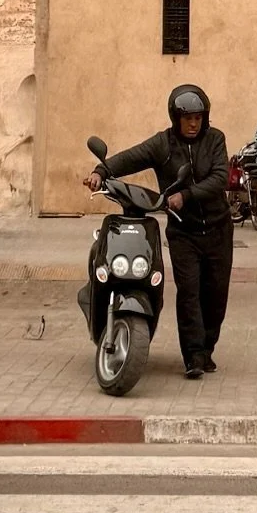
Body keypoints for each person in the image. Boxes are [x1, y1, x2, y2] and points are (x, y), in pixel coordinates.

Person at [87, 84, 232, 379]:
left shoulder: (216, 140)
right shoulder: (163, 144)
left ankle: (207, 349)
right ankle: (193, 356)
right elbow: (131, 157)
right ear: (175, 118)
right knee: (189, 293)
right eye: (187, 118)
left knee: (215, 295)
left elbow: (220, 177)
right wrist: (101, 172)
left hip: (218, 229)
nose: (193, 123)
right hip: (183, 231)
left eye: (198, 118)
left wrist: (187, 195)